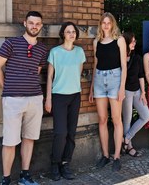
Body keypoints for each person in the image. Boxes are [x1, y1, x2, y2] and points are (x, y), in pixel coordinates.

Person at [0, 11, 48, 185]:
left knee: (29, 138)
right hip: (13, 100)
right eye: (31, 23)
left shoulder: (42, 49)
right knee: (9, 141)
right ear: (25, 23)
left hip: (35, 99)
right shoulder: (11, 43)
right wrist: (8, 87)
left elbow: (37, 71)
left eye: (38, 23)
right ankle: (6, 179)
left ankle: (25, 176)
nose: (34, 26)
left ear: (41, 25)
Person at [45, 22, 86, 181]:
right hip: (59, 96)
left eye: (73, 31)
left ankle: (65, 163)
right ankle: (54, 164)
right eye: (68, 32)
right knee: (60, 133)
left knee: (71, 133)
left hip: (75, 95)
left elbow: (79, 73)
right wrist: (48, 98)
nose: (71, 34)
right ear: (63, 34)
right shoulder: (55, 52)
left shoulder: (80, 52)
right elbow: (49, 76)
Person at [89, 12, 127, 172]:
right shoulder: (96, 41)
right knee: (103, 119)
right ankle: (105, 155)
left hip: (115, 79)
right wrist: (91, 88)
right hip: (98, 80)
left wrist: (122, 88)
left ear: (113, 24)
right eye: (103, 23)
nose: (106, 25)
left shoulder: (120, 40)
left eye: (108, 22)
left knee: (116, 119)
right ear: (100, 24)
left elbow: (124, 66)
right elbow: (95, 64)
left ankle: (117, 156)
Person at [121, 31, 149, 157]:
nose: (134, 43)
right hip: (125, 92)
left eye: (135, 41)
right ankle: (129, 147)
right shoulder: (120, 58)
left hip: (137, 91)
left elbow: (141, 76)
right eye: (132, 41)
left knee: (146, 116)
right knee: (127, 120)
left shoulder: (137, 57)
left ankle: (126, 139)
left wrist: (143, 93)